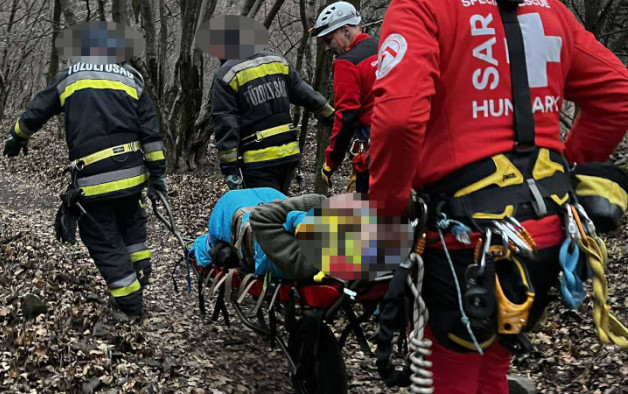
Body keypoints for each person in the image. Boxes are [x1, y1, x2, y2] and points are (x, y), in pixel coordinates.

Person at [369, 0, 628, 392]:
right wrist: (559, 174)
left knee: (450, 373)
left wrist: (387, 207)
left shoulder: (423, 8)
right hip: (543, 233)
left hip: (462, 239)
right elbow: (618, 94)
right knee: (491, 367)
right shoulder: (549, 9)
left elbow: (399, 119)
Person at [3, 21, 167, 318]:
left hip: (95, 180)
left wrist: (17, 138)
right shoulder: (132, 79)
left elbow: (36, 112)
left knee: (101, 237)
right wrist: (157, 177)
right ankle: (140, 271)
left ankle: (129, 303)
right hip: (133, 176)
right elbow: (151, 135)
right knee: (130, 224)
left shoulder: (71, 77)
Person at [205, 15, 335, 194]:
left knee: (266, 215)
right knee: (281, 206)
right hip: (288, 154)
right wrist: (330, 113)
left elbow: (226, 123)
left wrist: (229, 169)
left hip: (257, 160)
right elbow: (304, 92)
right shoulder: (277, 62)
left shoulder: (226, 75)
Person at [311, 1, 378, 193]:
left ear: (346, 31)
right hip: (405, 140)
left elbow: (346, 117)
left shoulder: (346, 63)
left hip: (371, 148)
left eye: (328, 40)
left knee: (372, 214)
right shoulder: (383, 46)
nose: (326, 48)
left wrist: (331, 162)